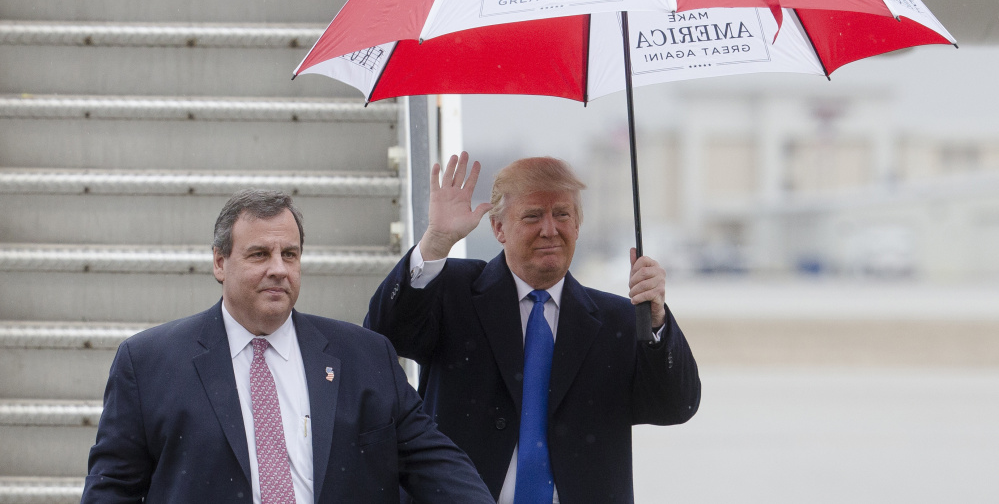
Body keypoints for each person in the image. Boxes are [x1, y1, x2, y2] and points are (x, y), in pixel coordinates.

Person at [83, 189, 493, 503]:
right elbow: (111, 489)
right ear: (220, 263)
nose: (278, 269)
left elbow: (439, 467)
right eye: (260, 254)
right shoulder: (149, 363)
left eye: (290, 254)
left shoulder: (365, 357)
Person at [366, 153, 701, 503]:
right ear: (498, 228)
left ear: (577, 225)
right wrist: (435, 242)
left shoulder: (617, 319)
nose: (549, 229)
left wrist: (657, 319)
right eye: (532, 216)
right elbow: (384, 335)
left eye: (562, 215)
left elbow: (676, 406)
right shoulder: (453, 291)